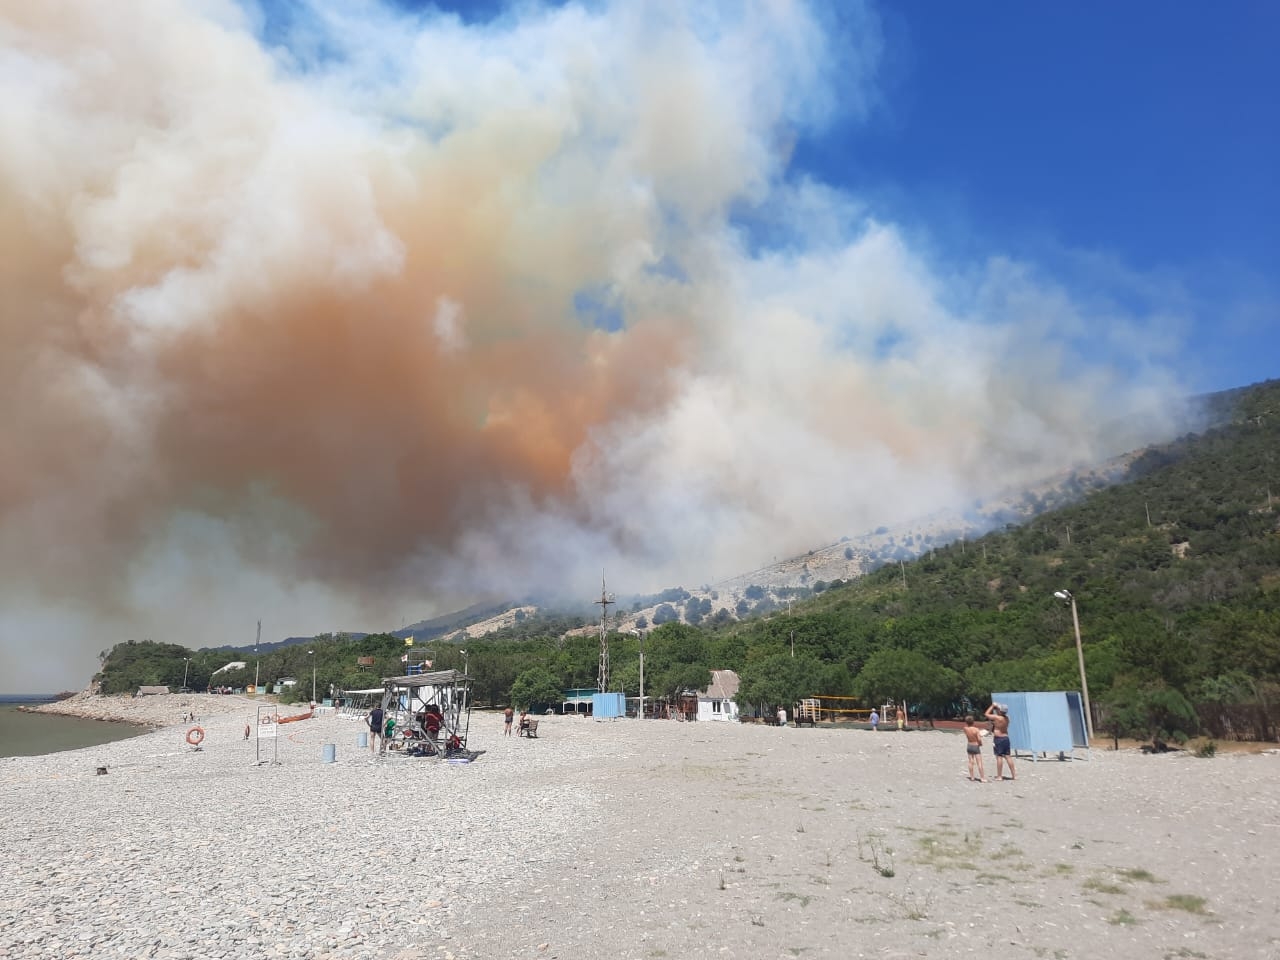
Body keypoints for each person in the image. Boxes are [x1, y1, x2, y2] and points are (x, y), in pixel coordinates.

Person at [985, 702, 1016, 780]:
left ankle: (999, 776)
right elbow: (1002, 712)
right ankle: (1014, 775)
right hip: (1006, 738)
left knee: (999, 757)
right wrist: (999, 708)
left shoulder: (997, 718)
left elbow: (986, 714)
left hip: (998, 739)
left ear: (1000, 711)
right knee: (1008, 756)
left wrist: (992, 706)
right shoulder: (1007, 718)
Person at [963, 715, 987, 782]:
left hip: (969, 745)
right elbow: (979, 739)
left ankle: (972, 777)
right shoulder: (976, 729)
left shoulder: (965, 728)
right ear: (973, 722)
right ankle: (982, 778)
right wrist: (980, 743)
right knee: (979, 762)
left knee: (971, 762)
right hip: (975, 745)